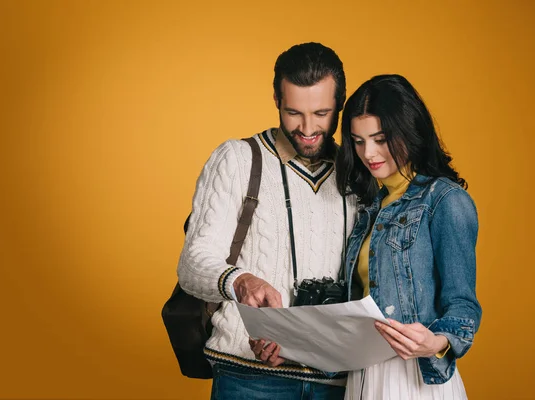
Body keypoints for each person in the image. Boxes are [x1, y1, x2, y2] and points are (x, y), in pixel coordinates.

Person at [177, 42, 357, 399]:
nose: (308, 128)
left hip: (339, 380)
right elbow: (192, 264)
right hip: (250, 377)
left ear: (340, 103)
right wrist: (240, 281)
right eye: (294, 112)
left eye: (322, 113)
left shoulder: (359, 172)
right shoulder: (238, 159)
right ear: (276, 99)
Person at [335, 74, 482, 399]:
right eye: (358, 141)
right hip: (361, 374)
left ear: (408, 130)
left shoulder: (445, 201)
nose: (368, 152)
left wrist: (437, 342)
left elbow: (463, 303)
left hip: (415, 376)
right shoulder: (370, 206)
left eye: (380, 138)